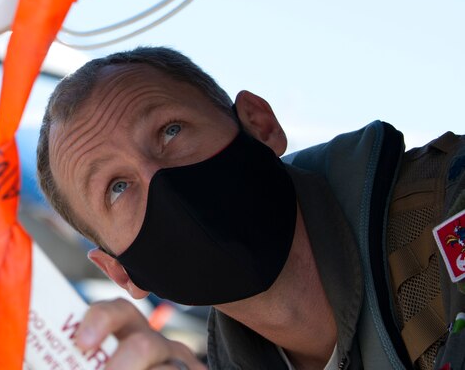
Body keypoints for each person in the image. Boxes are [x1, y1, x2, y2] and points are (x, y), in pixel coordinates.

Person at [36, 46, 465, 370]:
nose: (159, 180)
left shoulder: (450, 207)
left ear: (259, 124)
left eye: (170, 130)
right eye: (117, 188)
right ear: (121, 273)